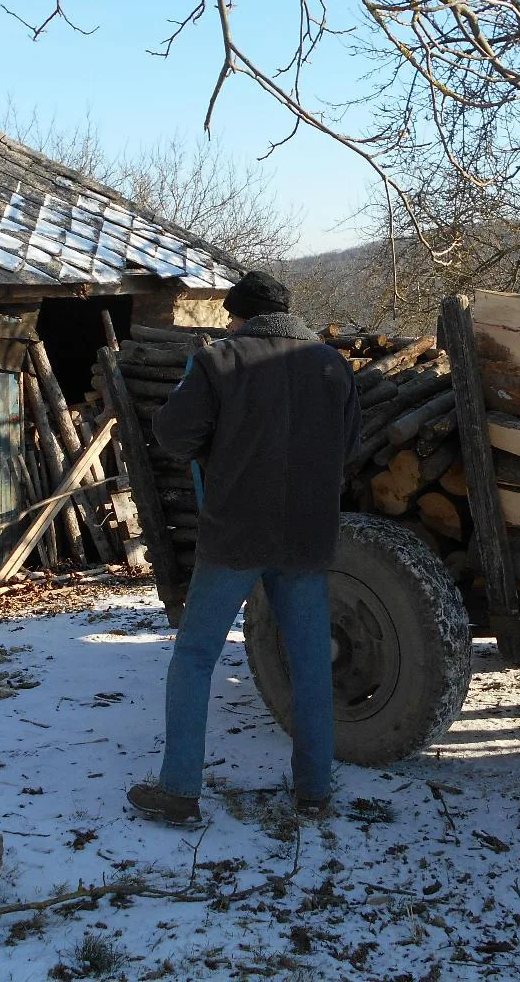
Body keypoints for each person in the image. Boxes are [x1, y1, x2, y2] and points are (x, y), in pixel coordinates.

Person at [126, 270, 361, 825]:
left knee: (195, 657)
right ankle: (314, 791)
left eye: (231, 316)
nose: (229, 326)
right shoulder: (332, 366)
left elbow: (174, 435)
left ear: (242, 316)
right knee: (311, 662)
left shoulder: (220, 361)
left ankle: (180, 790)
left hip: (235, 533)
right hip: (306, 535)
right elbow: (348, 444)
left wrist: (221, 444)